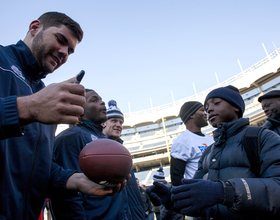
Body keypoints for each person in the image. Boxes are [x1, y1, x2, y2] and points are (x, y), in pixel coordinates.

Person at [0, 12, 123, 220]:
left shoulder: (47, 97)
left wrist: (75, 180)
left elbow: (36, 169)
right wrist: (26, 108)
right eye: (60, 40)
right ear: (34, 27)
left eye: (70, 51)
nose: (64, 53)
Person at [147, 85, 280, 219]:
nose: (209, 109)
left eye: (216, 103)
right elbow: (200, 204)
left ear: (236, 106)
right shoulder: (208, 152)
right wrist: (172, 199)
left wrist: (226, 192)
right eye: (206, 107)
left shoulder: (262, 137)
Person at [50, 94, 132, 219]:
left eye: (101, 99)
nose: (102, 102)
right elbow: (67, 193)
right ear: (79, 109)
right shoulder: (70, 137)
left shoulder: (106, 140)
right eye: (94, 100)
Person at [103, 100, 146, 219]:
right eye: (114, 121)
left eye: (121, 122)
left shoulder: (122, 149)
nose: (119, 125)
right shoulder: (97, 149)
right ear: (103, 123)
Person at [170, 101, 214, 186]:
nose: (206, 113)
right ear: (191, 115)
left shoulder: (210, 138)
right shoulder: (182, 141)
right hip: (200, 192)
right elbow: (176, 178)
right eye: (202, 110)